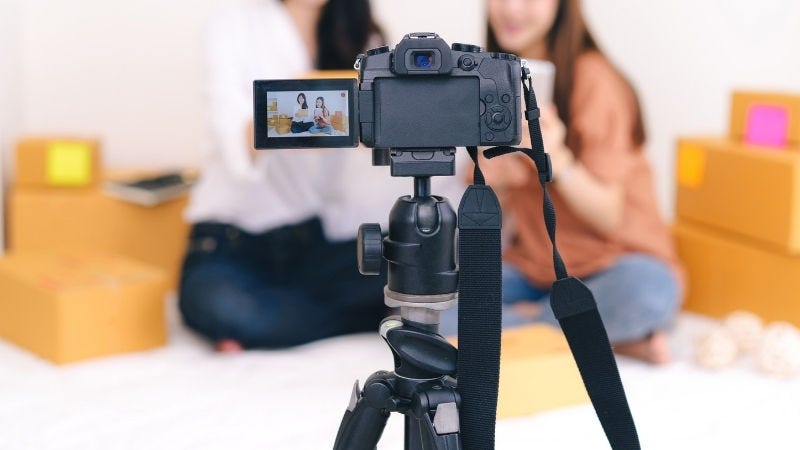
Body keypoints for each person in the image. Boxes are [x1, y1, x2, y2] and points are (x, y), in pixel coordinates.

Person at [179, 0, 412, 351]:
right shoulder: (232, 24)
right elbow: (235, 137)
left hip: (312, 244)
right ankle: (364, 318)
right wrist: (337, 118)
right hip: (230, 244)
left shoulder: (363, 35)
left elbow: (381, 141)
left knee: (417, 263)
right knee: (225, 306)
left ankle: (278, 326)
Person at [460, 0, 684, 364]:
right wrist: (495, 178)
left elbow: (608, 216)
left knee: (649, 293)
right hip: (536, 269)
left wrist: (555, 157)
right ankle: (597, 335)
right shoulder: (489, 79)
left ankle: (539, 323)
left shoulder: (594, 78)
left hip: (614, 264)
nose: (512, 9)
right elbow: (481, 217)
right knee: (435, 306)